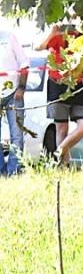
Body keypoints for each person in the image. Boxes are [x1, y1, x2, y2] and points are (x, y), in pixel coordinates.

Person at [38, 23, 83, 166]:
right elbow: (38, 47)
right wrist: (52, 33)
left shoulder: (82, 35)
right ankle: (63, 167)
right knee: (61, 128)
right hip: (57, 84)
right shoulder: (56, 34)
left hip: (77, 84)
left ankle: (61, 149)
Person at [0, 26, 27, 175]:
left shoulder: (9, 36)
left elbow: (24, 63)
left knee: (16, 135)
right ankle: (1, 171)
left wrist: (21, 87)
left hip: (13, 94)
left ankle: (14, 171)